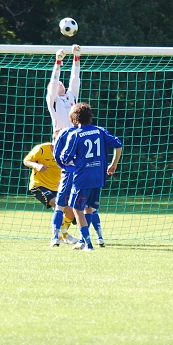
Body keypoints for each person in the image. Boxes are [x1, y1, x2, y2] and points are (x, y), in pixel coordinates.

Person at [60, 103, 123, 251]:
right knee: (89, 208)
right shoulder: (100, 131)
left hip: (82, 178)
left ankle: (88, 244)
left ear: (74, 119)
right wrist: (113, 164)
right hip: (99, 177)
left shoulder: (74, 135)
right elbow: (118, 144)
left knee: (77, 208)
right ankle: (83, 240)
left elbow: (64, 158)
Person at [24, 130, 78, 247]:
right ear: (54, 140)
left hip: (58, 187)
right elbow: (26, 161)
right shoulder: (42, 149)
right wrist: (37, 165)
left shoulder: (67, 153)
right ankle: (58, 237)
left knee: (71, 213)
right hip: (39, 185)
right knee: (57, 204)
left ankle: (63, 234)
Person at [47, 45, 81, 132]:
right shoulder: (53, 99)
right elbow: (54, 81)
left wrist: (76, 57)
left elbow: (75, 78)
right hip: (60, 136)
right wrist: (58, 62)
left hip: (74, 135)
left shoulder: (71, 95)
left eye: (60, 82)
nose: (60, 83)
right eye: (58, 83)